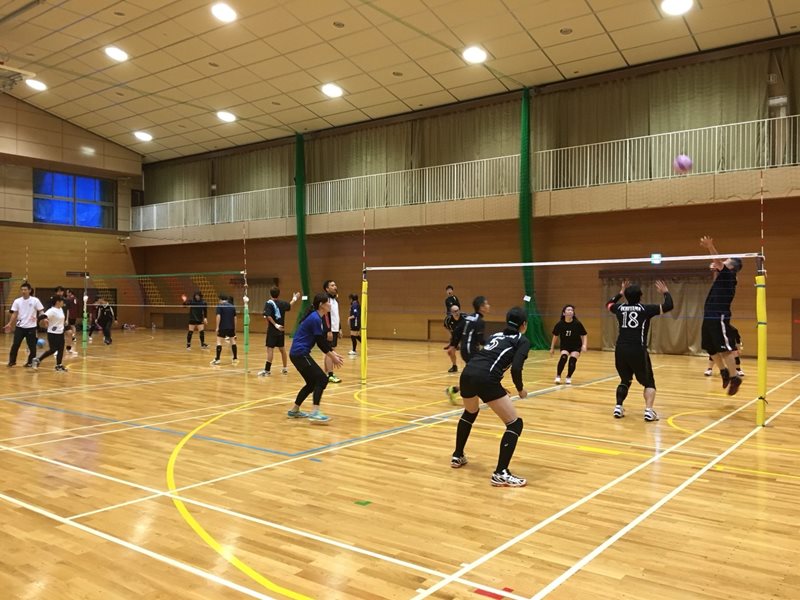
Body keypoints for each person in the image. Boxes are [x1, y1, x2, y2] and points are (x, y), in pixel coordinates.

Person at [450, 306, 531, 488]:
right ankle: (500, 473)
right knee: (515, 424)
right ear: (524, 325)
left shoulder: (496, 335)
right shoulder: (522, 340)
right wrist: (520, 389)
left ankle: (457, 455)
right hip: (485, 379)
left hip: (468, 373)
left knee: (470, 412)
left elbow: (488, 359)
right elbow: (516, 368)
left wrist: (497, 386)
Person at [607, 280, 673, 421]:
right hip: (637, 349)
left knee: (625, 380)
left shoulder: (619, 308)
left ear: (626, 296)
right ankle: (648, 411)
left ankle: (618, 407)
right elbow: (669, 306)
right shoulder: (645, 309)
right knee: (649, 382)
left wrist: (620, 293)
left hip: (620, 349)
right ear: (641, 296)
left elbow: (609, 304)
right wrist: (665, 292)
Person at [287, 292, 344, 423]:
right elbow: (320, 342)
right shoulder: (315, 318)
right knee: (322, 379)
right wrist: (332, 356)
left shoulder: (318, 317)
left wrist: (333, 352)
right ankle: (315, 412)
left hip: (298, 354)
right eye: (327, 302)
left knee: (312, 383)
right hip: (300, 354)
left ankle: (294, 410)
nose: (330, 304)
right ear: (321, 305)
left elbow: (322, 341)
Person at [699, 235, 743, 396]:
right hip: (709, 315)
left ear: (731, 267)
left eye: (726, 261)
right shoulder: (723, 277)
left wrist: (710, 246)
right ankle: (724, 372)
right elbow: (717, 267)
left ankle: (735, 377)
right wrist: (715, 270)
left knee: (724, 349)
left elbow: (718, 262)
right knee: (709, 347)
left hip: (719, 316)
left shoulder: (729, 275)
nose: (723, 261)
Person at [445, 296, 490, 404]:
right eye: (486, 304)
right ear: (481, 307)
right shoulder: (479, 321)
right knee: (480, 373)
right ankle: (489, 394)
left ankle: (454, 390)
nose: (488, 306)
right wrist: (493, 343)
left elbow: (457, 331)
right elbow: (481, 340)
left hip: (465, 350)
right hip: (471, 351)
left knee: (473, 374)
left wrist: (453, 345)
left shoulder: (468, 317)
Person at [258, 286, 300, 376]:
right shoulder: (282, 303)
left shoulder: (269, 303)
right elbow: (290, 305)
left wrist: (275, 325)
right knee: (282, 349)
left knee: (270, 349)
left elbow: (268, 315)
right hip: (281, 330)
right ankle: (285, 368)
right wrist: (295, 298)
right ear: (278, 294)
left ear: (270, 294)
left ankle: (267, 370)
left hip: (273, 330)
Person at [4, 282, 45, 368]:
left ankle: (30, 362)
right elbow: (14, 314)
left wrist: (44, 319)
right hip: (20, 327)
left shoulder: (35, 300)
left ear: (29, 290)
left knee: (32, 347)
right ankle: (12, 361)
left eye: (25, 290)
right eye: (22, 290)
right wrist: (10, 323)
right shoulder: (17, 301)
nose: (23, 291)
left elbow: (41, 311)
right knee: (15, 345)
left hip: (31, 328)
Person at [550, 304, 588, 384]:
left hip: (576, 345)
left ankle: (568, 377)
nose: (570, 311)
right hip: (565, 345)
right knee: (563, 358)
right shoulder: (560, 324)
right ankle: (558, 376)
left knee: (572, 360)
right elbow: (555, 336)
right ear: (564, 313)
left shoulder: (577, 323)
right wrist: (552, 348)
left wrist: (584, 345)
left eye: (572, 310)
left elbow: (584, 334)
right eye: (568, 310)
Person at [32, 296, 68, 372]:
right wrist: (38, 320)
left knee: (61, 349)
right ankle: (38, 359)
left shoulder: (60, 309)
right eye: (62, 301)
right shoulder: (51, 311)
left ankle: (58, 365)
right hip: (52, 333)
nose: (63, 302)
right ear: (57, 302)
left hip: (60, 332)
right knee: (53, 349)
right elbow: (44, 316)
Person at [322, 280, 342, 383]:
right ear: (327, 288)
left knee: (329, 351)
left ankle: (326, 374)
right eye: (332, 285)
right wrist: (328, 330)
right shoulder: (326, 299)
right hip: (329, 330)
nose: (335, 287)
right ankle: (330, 374)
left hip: (335, 329)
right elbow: (325, 315)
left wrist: (339, 328)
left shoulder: (336, 300)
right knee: (329, 352)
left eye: (335, 285)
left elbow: (336, 315)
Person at [211, 294, 237, 365]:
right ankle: (235, 358)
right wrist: (235, 328)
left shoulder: (220, 306)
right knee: (233, 341)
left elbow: (218, 316)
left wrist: (217, 327)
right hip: (231, 327)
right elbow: (235, 318)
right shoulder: (232, 306)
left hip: (222, 327)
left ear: (220, 299)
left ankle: (218, 359)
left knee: (219, 341)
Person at [443, 304, 463, 373]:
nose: (457, 312)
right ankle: (454, 366)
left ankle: (470, 366)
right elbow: (446, 327)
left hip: (464, 336)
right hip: (455, 336)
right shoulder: (448, 319)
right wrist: (451, 336)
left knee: (466, 352)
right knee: (450, 351)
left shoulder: (464, 317)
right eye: (454, 311)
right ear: (451, 312)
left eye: (457, 310)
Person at [64, 288, 79, 355]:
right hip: (74, 314)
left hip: (70, 314)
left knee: (70, 327)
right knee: (73, 325)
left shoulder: (69, 299)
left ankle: (72, 337)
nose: (67, 294)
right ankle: (73, 336)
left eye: (67, 292)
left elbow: (68, 308)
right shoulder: (75, 298)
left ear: (70, 293)